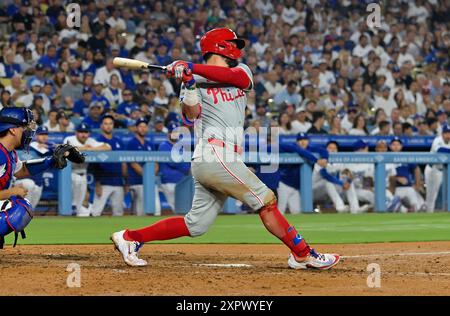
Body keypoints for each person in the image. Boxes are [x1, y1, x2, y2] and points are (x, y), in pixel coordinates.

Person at [111, 28, 340, 269]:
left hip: (223, 158)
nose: (236, 48)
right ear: (219, 46)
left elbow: (236, 80)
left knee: (195, 225)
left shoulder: (241, 71)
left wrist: (191, 67)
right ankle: (303, 254)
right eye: (232, 43)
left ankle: (131, 237)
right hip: (212, 154)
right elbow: (191, 116)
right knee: (266, 200)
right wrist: (188, 83)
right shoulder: (194, 80)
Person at [0, 107, 78, 248]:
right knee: (17, 207)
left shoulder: (9, 152)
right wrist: (10, 193)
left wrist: (52, 160)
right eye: (24, 126)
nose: (28, 131)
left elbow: (22, 169)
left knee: (21, 205)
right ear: (13, 130)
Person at [63, 123, 111, 216]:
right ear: (76, 133)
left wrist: (92, 148)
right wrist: (86, 148)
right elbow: (67, 149)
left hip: (83, 173)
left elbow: (107, 147)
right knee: (72, 199)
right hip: (70, 173)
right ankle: (69, 212)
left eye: (85, 132)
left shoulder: (90, 141)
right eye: (81, 132)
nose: (83, 134)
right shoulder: (69, 139)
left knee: (80, 202)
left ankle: (76, 214)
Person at [91, 116, 126, 216]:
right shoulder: (97, 141)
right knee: (96, 212)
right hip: (103, 183)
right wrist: (97, 183)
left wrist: (126, 181)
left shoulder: (119, 141)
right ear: (101, 126)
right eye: (106, 124)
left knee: (118, 213)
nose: (108, 126)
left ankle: (118, 232)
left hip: (118, 182)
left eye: (110, 124)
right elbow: (94, 164)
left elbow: (124, 162)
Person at [125, 118, 161, 216]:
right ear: (136, 128)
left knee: (156, 210)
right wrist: (147, 175)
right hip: (137, 182)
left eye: (145, 126)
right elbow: (133, 163)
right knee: (140, 212)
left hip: (151, 182)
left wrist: (151, 175)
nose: (143, 129)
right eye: (140, 126)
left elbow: (156, 162)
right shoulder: (131, 143)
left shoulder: (150, 144)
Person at [14, 126, 54, 209]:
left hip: (38, 182)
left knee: (32, 208)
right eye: (41, 134)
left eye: (46, 134)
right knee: (29, 185)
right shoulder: (33, 144)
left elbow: (58, 148)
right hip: (24, 180)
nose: (44, 136)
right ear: (36, 136)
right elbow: (44, 151)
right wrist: (50, 148)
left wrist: (50, 147)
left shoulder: (48, 145)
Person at [387, 137, 426, 212]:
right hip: (395, 188)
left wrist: (417, 184)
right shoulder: (386, 158)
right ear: (390, 146)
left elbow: (416, 169)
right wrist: (397, 178)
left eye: (398, 144)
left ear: (401, 146)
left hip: (408, 187)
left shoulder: (406, 156)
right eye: (394, 144)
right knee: (396, 207)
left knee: (417, 206)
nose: (396, 146)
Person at [158, 122, 190, 211]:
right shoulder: (164, 145)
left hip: (182, 182)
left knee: (183, 208)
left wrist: (183, 165)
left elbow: (187, 163)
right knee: (175, 208)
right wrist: (183, 166)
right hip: (169, 182)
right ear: (168, 134)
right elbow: (173, 162)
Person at [424, 125, 450, 212]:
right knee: (431, 194)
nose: (448, 135)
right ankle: (428, 213)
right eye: (446, 133)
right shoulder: (437, 140)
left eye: (449, 133)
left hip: (444, 170)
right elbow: (440, 150)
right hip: (433, 169)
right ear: (442, 134)